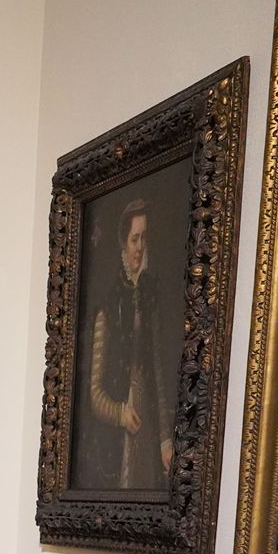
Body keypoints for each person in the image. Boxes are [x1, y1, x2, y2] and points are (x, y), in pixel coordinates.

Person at [78, 198, 172, 491]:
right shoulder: (108, 304)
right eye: (134, 239)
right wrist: (120, 414)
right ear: (123, 242)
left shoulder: (150, 297)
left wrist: (165, 439)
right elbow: (94, 394)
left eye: (144, 238)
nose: (139, 247)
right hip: (118, 438)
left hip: (148, 427)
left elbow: (158, 370)